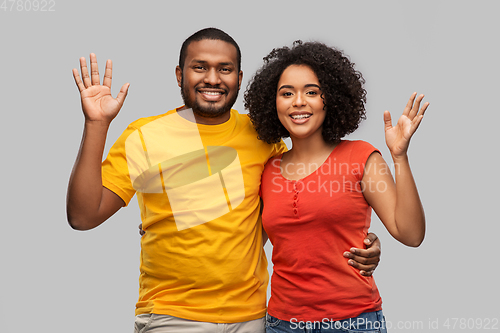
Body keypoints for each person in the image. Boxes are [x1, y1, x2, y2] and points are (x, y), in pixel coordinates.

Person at [66, 28, 381, 333]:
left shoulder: (263, 137)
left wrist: (361, 241)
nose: (212, 78)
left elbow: (298, 212)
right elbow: (83, 216)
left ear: (239, 79)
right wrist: (96, 124)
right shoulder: (144, 136)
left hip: (254, 318)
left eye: (225, 69)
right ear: (180, 75)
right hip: (172, 317)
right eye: (199, 67)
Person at [245, 41, 428, 333]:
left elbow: (411, 233)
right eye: (287, 93)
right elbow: (244, 243)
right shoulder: (268, 170)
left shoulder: (360, 157)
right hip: (281, 324)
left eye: (312, 92)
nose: (298, 102)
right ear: (272, 102)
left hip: (352, 323)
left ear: (329, 99)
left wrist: (399, 157)